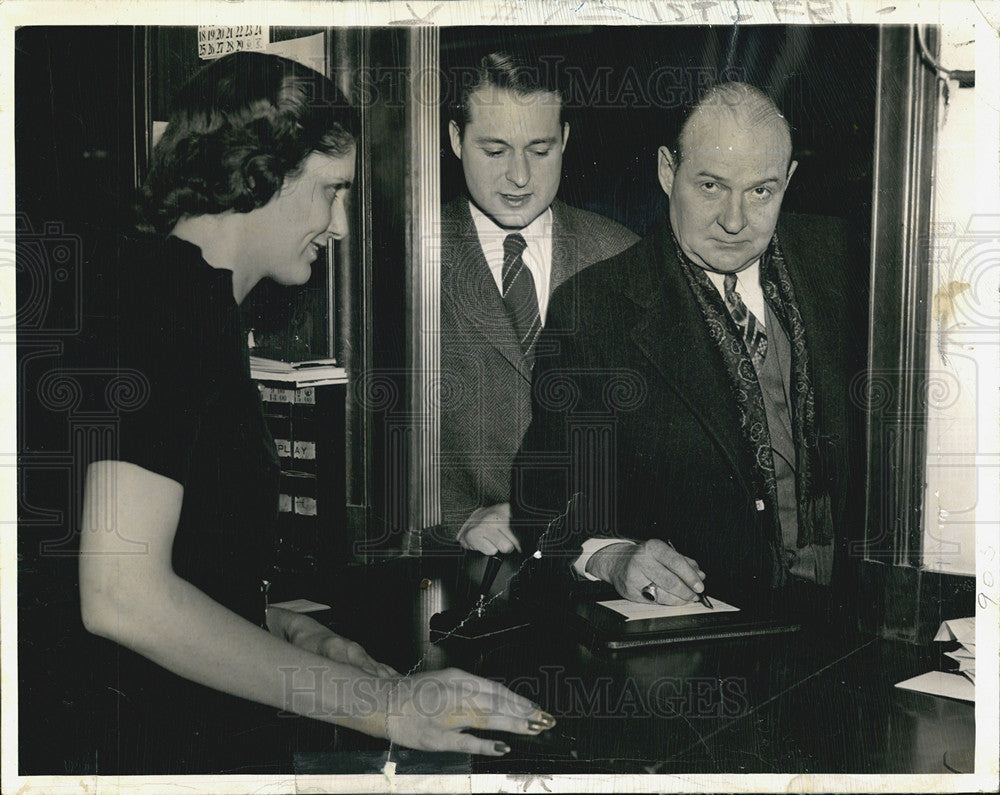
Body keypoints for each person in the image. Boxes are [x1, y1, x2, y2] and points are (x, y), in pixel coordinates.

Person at [77, 51, 554, 774]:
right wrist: (386, 705)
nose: (339, 225)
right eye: (331, 190)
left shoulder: (180, 298)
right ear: (262, 173)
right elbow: (119, 595)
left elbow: (187, 571)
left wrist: (299, 634)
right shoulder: (166, 302)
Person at [512, 82, 864, 612]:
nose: (735, 220)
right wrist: (613, 556)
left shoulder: (853, 259)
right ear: (666, 171)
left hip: (863, 617)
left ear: (789, 181)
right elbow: (543, 502)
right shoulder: (593, 310)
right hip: (711, 632)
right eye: (711, 186)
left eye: (761, 191)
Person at [438, 52, 638, 557]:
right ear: (456, 139)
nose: (520, 177)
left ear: (566, 140)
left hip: (607, 568)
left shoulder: (623, 255)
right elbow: (365, 443)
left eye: (541, 150)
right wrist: (452, 521)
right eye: (495, 150)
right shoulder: (405, 259)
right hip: (463, 573)